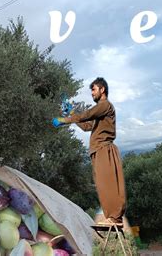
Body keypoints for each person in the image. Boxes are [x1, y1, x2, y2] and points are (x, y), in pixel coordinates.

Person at [53, 77, 126, 226]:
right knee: (101, 184)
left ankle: (115, 218)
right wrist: (72, 112)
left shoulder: (105, 105)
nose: (92, 93)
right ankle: (112, 218)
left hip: (104, 149)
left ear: (102, 89)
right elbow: (86, 126)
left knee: (108, 184)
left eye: (93, 90)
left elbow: (86, 115)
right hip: (98, 151)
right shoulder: (100, 112)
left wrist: (65, 119)